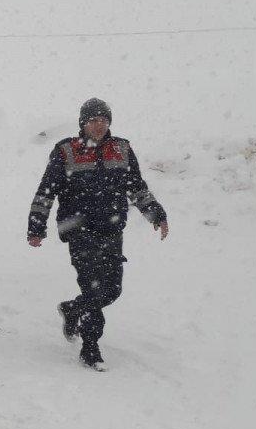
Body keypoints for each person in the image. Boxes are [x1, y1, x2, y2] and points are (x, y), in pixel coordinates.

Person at [27, 98, 168, 369]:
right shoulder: (66, 150)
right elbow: (46, 191)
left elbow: (136, 187)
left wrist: (156, 214)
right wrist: (36, 226)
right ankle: (90, 347)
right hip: (78, 230)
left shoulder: (122, 149)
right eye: (93, 120)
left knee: (112, 291)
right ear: (83, 123)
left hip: (111, 229)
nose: (99, 125)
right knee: (92, 290)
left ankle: (72, 309)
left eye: (104, 120)